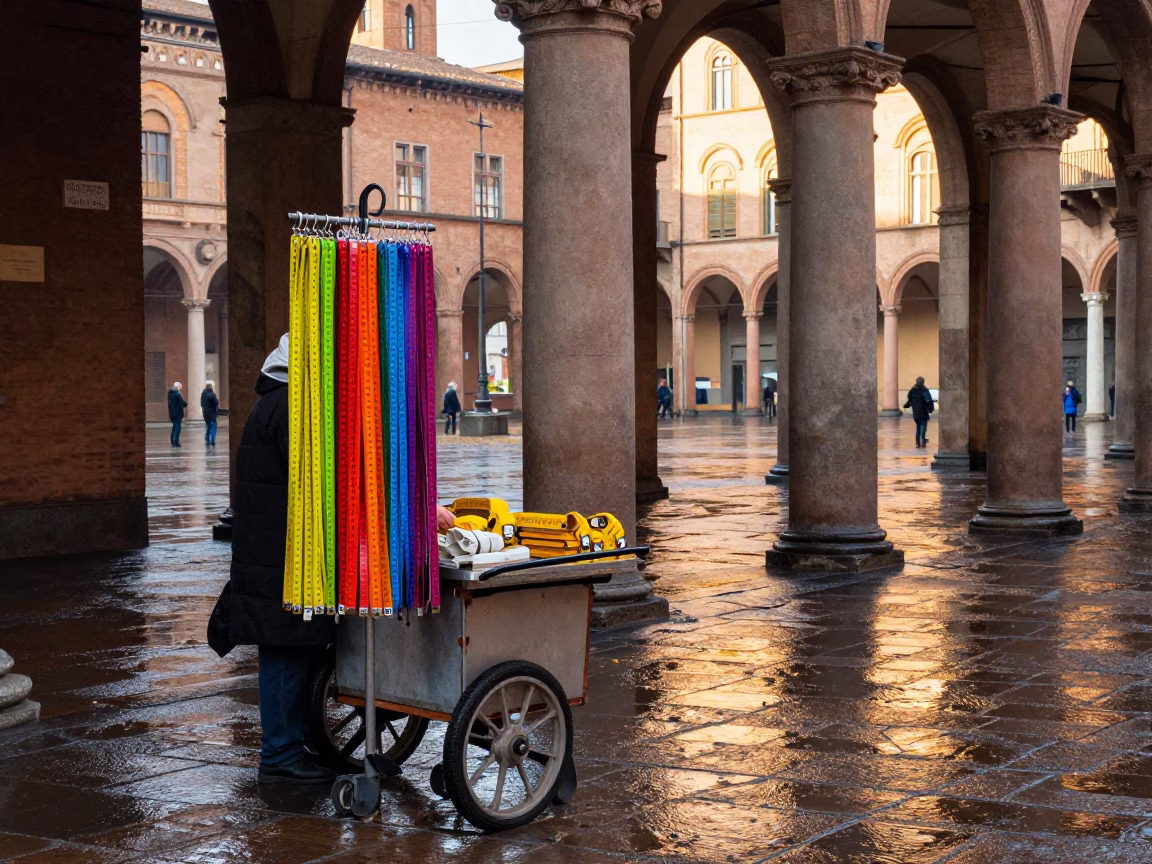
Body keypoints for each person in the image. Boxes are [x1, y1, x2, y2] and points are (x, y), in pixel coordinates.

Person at [903, 376, 935, 449]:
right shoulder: (924, 390)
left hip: (915, 412)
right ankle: (922, 440)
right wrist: (930, 409)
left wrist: (906, 406)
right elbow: (928, 401)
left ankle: (917, 442)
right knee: (923, 425)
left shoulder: (912, 390)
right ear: (923, 382)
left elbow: (909, 399)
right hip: (923, 411)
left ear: (916, 382)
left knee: (918, 426)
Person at [168, 382, 187, 447]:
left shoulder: (170, 394)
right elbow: (181, 403)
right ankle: (175, 441)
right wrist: (185, 404)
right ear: (178, 387)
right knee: (177, 427)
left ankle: (172, 440)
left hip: (172, 413)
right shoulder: (177, 394)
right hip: (178, 413)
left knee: (174, 427)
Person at [201, 380, 219, 446]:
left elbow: (202, 404)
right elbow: (216, 403)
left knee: (208, 426)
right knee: (214, 426)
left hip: (205, 413)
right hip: (212, 413)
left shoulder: (203, 394)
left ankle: (207, 439)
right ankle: (212, 440)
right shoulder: (212, 395)